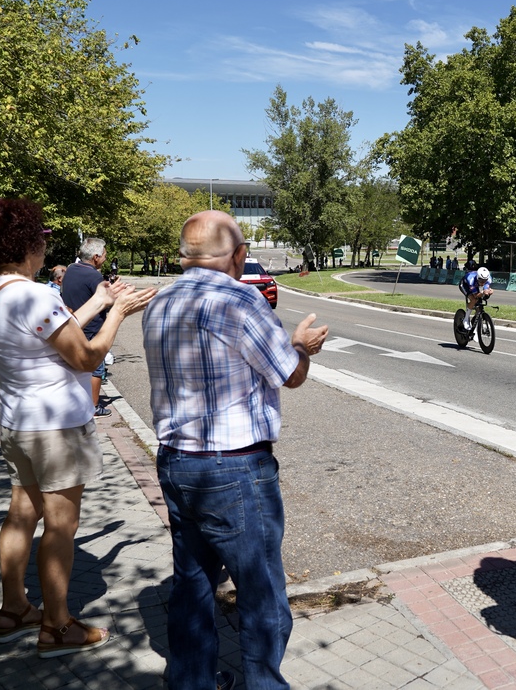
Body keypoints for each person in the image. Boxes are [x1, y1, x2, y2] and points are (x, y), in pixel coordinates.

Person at [143, 210, 327, 690]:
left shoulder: (161, 302)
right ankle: (264, 684)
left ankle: (191, 681)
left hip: (177, 462)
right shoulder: (241, 299)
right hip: (236, 467)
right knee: (260, 588)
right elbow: (291, 374)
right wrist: (302, 346)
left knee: (193, 581)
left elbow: (228, 361)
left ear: (185, 255)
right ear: (240, 254)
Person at [0, 198, 155, 657]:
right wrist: (117, 315)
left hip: (17, 421)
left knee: (20, 514)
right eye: (39, 239)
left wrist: (98, 299)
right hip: (55, 427)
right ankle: (56, 627)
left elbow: (53, 333)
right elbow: (85, 356)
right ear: (25, 243)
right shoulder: (33, 294)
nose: (43, 248)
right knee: (61, 526)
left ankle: (13, 610)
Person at [61, 238, 112, 417]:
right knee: (96, 369)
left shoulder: (71, 269)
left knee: (75, 367)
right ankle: (94, 406)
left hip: (74, 325)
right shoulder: (94, 276)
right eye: (104, 255)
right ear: (96, 257)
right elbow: (104, 300)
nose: (106, 258)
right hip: (92, 329)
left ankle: (77, 401)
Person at [458, 266, 492, 330]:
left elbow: (485, 290)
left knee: (479, 303)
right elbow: (476, 295)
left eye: (484, 281)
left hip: (475, 285)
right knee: (473, 299)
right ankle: (466, 318)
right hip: (465, 285)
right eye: (481, 280)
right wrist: (483, 292)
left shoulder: (489, 279)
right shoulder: (471, 279)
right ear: (477, 277)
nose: (482, 283)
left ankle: (475, 324)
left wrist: (489, 292)